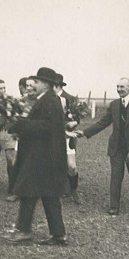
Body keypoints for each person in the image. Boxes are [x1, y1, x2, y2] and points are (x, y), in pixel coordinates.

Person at [4, 67, 68, 245]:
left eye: (37, 82)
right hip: (43, 155)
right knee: (45, 194)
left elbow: (46, 127)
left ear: (46, 84)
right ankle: (57, 234)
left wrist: (21, 124)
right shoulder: (46, 100)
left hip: (42, 156)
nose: (33, 84)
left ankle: (25, 231)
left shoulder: (49, 101)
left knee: (31, 192)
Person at [76, 77, 129, 215]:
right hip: (116, 146)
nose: (119, 89)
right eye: (117, 87)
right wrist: (85, 132)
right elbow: (103, 122)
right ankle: (114, 206)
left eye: (122, 87)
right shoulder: (114, 104)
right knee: (116, 175)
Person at [53, 73, 81, 204]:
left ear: (56, 85)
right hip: (52, 136)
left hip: (67, 137)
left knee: (72, 166)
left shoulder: (70, 98)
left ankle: (73, 189)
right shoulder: (47, 99)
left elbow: (78, 118)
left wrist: (74, 123)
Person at [0, 79, 18, 197]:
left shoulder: (9, 100)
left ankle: (12, 185)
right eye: (0, 88)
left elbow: (15, 115)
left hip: (6, 131)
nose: (3, 90)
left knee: (10, 158)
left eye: (4, 88)